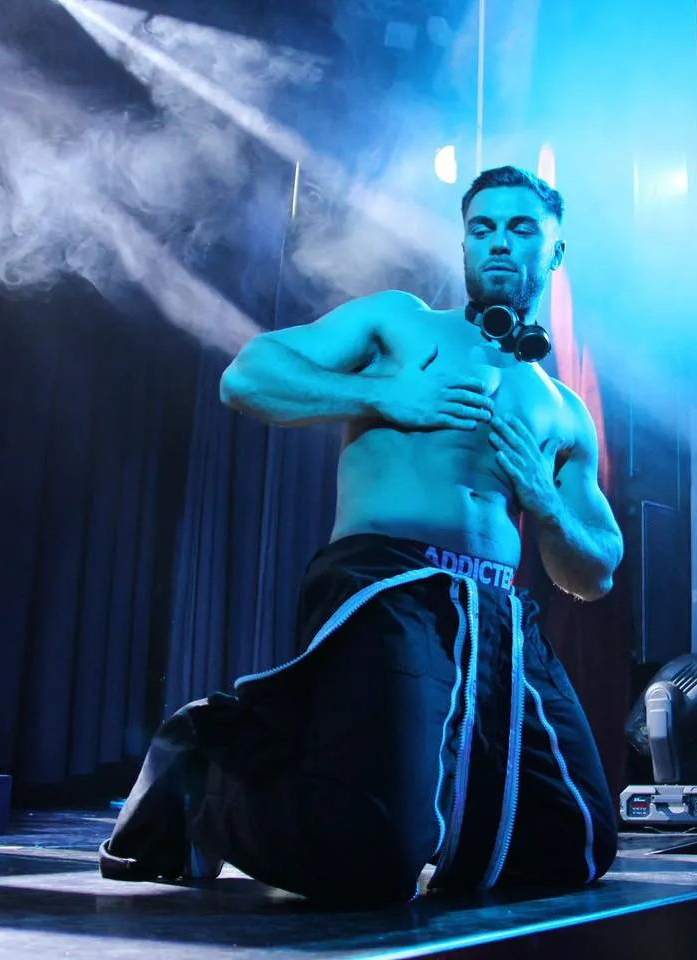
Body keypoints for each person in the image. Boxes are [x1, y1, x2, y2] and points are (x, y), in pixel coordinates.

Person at [98, 165, 623, 907]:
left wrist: (544, 501)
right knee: (370, 860)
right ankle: (202, 765)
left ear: (555, 251)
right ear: (464, 245)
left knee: (578, 844)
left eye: (520, 228)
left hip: (499, 610)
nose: (499, 243)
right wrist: (384, 395)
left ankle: (412, 816)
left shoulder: (563, 409)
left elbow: (594, 570)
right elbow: (247, 377)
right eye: (482, 229)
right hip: (389, 583)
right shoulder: (401, 325)